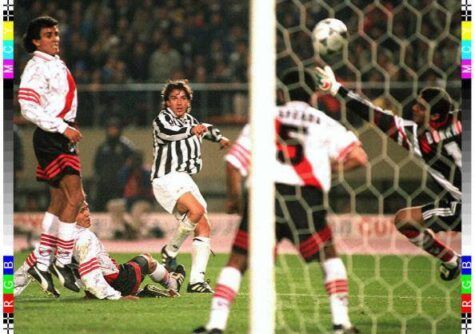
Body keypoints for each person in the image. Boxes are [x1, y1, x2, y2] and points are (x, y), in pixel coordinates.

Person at [194, 69, 367, 334]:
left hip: (265, 197)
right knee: (328, 256)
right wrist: (328, 169)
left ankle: (215, 325)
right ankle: (341, 323)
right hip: (306, 199)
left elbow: (232, 164)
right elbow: (359, 158)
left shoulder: (265, 118)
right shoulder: (325, 122)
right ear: (313, 94)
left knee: (238, 260)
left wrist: (235, 201)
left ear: (282, 93)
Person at [314, 66, 461, 280]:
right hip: (458, 205)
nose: (414, 108)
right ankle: (453, 261)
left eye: (421, 107)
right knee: (405, 220)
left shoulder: (423, 136)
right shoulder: (415, 133)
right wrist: (336, 88)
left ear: (436, 115)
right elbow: (373, 114)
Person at [18, 16, 84, 296]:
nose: (55, 37)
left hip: (59, 135)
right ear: (35, 40)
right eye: (48, 34)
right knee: (76, 198)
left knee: (59, 199)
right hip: (53, 135)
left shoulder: (54, 62)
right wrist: (62, 128)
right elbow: (27, 107)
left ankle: (43, 260)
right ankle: (63, 261)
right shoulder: (35, 66)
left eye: (56, 33)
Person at [152, 79, 230, 293]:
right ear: (167, 102)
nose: (179, 102)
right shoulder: (162, 120)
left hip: (184, 179)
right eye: (174, 98)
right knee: (196, 210)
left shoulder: (191, 121)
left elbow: (206, 129)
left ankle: (196, 281)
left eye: (183, 97)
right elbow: (171, 133)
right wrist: (194, 130)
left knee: (204, 226)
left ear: (189, 102)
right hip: (166, 178)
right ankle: (170, 250)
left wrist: (220, 137)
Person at [14, 202, 186, 300]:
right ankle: (172, 283)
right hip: (116, 281)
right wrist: (117, 297)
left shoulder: (55, 237)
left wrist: (7, 291)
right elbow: (90, 274)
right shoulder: (84, 237)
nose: (88, 213)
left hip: (93, 288)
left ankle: (145, 291)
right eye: (82, 211)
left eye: (87, 208)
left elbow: (28, 266)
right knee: (146, 259)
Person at [111, 151, 160, 240]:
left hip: (145, 201)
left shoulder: (146, 173)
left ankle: (134, 232)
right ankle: (122, 229)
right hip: (130, 201)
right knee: (113, 205)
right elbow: (120, 181)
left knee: (137, 208)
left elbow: (146, 189)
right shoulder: (127, 172)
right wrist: (127, 167)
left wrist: (139, 172)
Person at [93, 117, 136, 211]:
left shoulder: (126, 146)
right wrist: (100, 177)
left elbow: (133, 163)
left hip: (121, 184)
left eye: (114, 129)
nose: (112, 131)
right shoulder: (103, 147)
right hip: (105, 184)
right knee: (99, 206)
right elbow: (97, 165)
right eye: (110, 129)